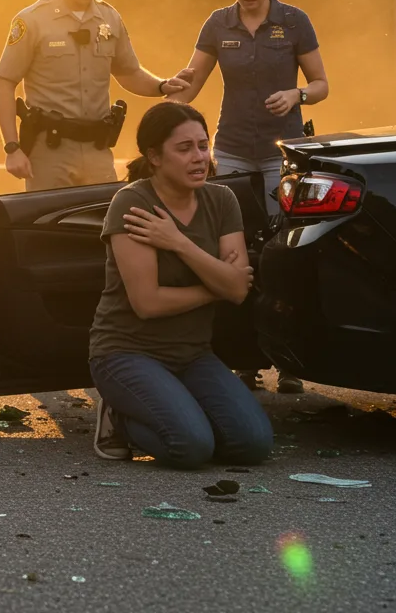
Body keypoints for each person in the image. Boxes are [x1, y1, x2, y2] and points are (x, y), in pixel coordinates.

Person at [166, 0, 330, 394]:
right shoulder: (218, 23)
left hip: (283, 152)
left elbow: (321, 84)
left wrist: (296, 94)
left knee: (284, 252)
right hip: (234, 148)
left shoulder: (294, 21)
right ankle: (244, 359)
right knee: (234, 251)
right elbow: (190, 84)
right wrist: (164, 90)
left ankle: (291, 361)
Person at [88, 102, 273, 468]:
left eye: (203, 145)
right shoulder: (133, 203)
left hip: (192, 354)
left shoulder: (222, 200)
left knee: (253, 445)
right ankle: (119, 416)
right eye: (184, 148)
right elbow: (148, 303)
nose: (199, 157)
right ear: (155, 157)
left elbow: (238, 291)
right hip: (126, 353)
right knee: (190, 447)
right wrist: (217, 285)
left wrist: (177, 242)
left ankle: (176, 408)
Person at [0, 0, 194, 191]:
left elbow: (129, 72)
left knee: (104, 216)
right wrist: (12, 148)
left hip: (98, 150)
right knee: (52, 218)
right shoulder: (32, 20)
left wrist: (162, 86)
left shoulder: (109, 19)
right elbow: (5, 84)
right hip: (49, 152)